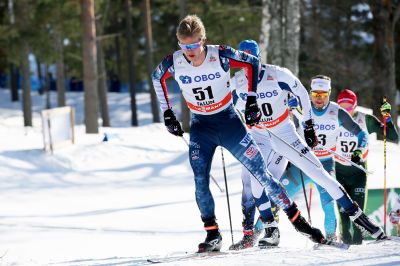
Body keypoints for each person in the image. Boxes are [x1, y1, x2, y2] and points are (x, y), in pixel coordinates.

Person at [151, 15, 324, 253]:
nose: (189, 51)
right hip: (201, 127)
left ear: (204, 40)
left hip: (229, 122)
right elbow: (156, 76)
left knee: (260, 174)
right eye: (184, 45)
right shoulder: (174, 61)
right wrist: (167, 112)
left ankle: (298, 221)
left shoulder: (220, 54)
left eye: (194, 45)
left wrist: (252, 100)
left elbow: (252, 63)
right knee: (200, 180)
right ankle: (212, 234)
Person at [229, 46, 387, 249]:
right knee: (255, 179)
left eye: (252, 61)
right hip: (260, 136)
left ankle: (361, 220)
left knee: (319, 173)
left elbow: (303, 94)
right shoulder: (236, 83)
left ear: (259, 59)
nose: (248, 67)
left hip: (283, 133)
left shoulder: (277, 74)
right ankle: (270, 229)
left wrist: (308, 124)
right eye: (243, 63)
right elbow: (225, 109)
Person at [335, 89, 399, 244]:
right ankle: (343, 249)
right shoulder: (332, 119)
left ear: (356, 106)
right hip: (338, 170)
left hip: (358, 172)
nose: (346, 112)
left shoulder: (365, 120)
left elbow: (392, 136)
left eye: (349, 107)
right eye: (342, 108)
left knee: (359, 216)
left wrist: (387, 119)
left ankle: (358, 250)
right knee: (343, 216)